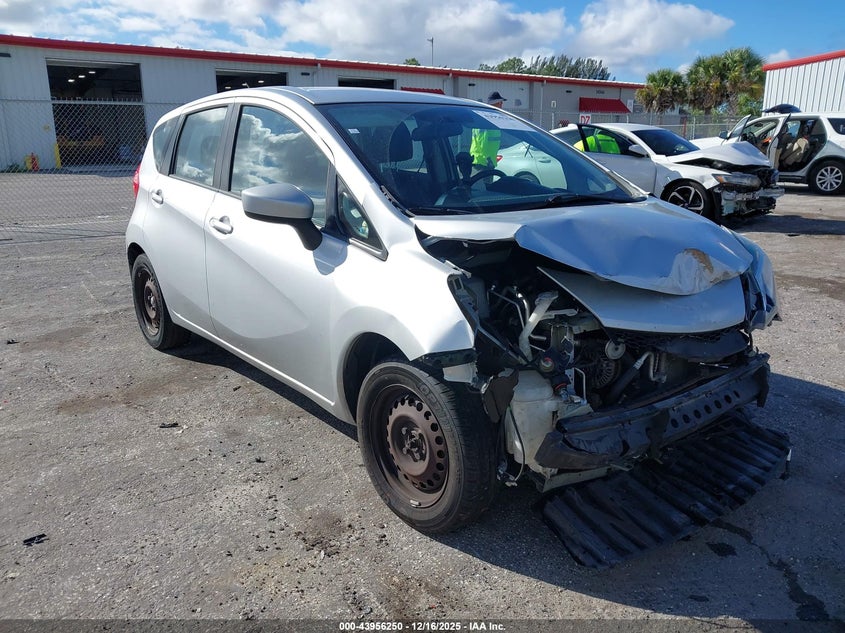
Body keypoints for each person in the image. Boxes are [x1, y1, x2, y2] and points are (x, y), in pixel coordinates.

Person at [470, 91, 507, 170]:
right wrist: (486, 159)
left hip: (484, 161)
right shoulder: (487, 120)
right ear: (496, 103)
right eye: (500, 102)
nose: (502, 105)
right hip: (483, 162)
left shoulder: (488, 118)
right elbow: (482, 141)